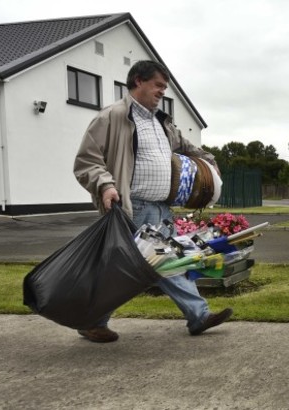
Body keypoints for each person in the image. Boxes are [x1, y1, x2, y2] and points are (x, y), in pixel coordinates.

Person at [73, 60, 232, 343]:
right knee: (161, 262)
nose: (162, 92)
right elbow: (87, 161)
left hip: (161, 208)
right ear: (137, 81)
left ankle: (93, 321)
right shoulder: (112, 117)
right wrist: (106, 185)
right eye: (158, 85)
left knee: (152, 264)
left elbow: (190, 148)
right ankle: (198, 315)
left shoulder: (162, 123)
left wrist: (210, 161)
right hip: (135, 207)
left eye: (164, 87)